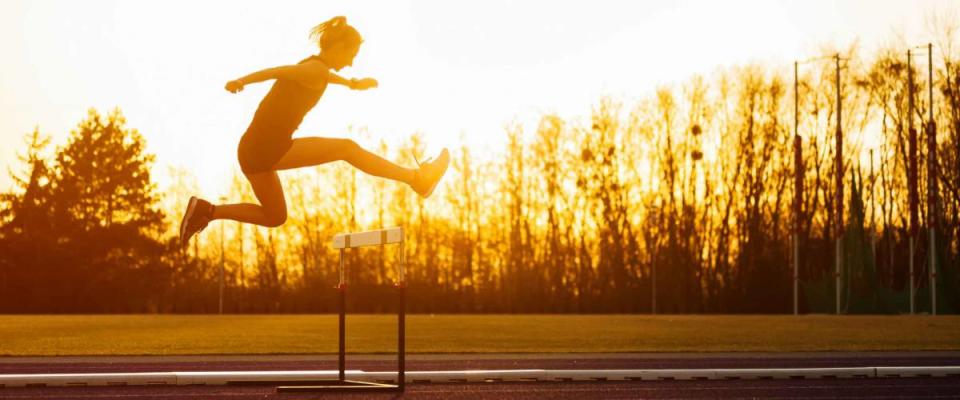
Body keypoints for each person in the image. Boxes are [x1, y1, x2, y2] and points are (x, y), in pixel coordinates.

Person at [179, 16, 449, 244]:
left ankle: (207, 211)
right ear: (339, 48)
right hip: (266, 147)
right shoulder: (313, 70)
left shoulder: (316, 68)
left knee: (275, 217)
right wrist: (242, 81)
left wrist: (352, 84)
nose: (352, 62)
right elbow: (277, 71)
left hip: (253, 149)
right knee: (347, 148)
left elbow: (323, 76)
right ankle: (417, 179)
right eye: (351, 55)